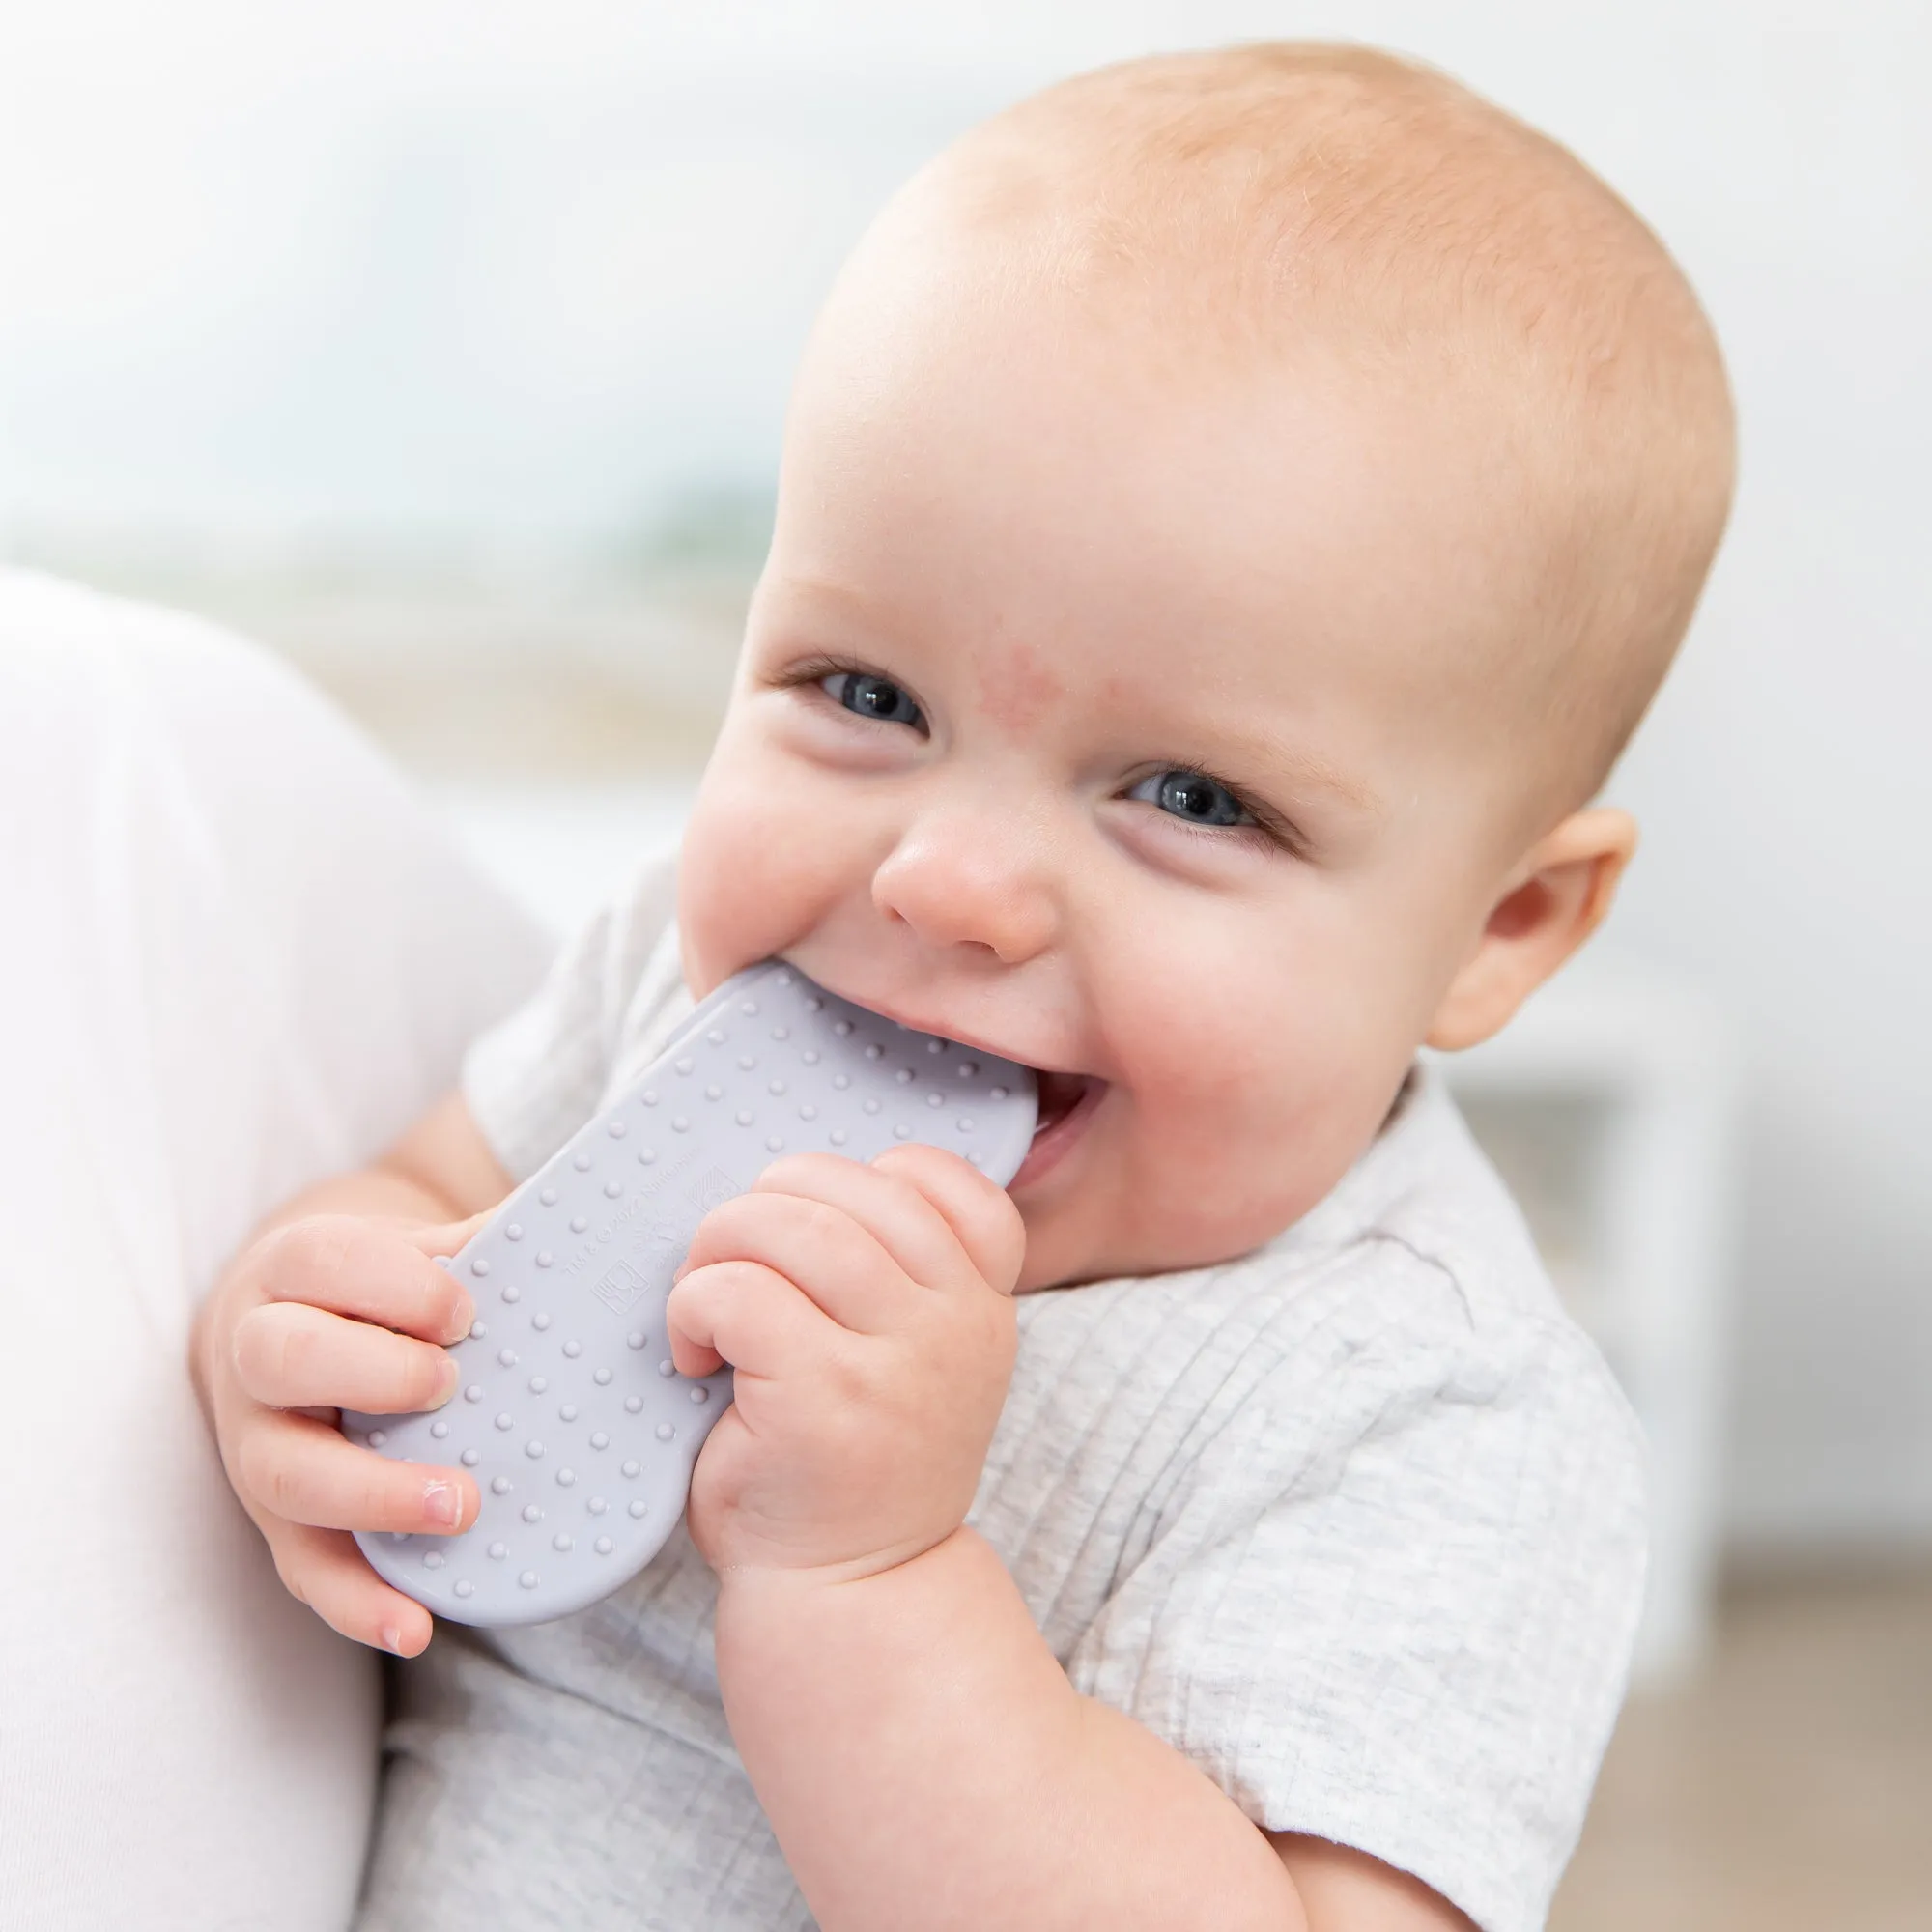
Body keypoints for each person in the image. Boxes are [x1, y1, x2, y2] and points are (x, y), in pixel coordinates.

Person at [190, 43, 1735, 1932]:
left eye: (1186, 797)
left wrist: (872, 1581)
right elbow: (434, 1199)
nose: (945, 880)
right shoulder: (679, 996)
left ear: (1499, 925)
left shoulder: (1424, 1414)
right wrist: (316, 1332)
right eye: (863, 695)